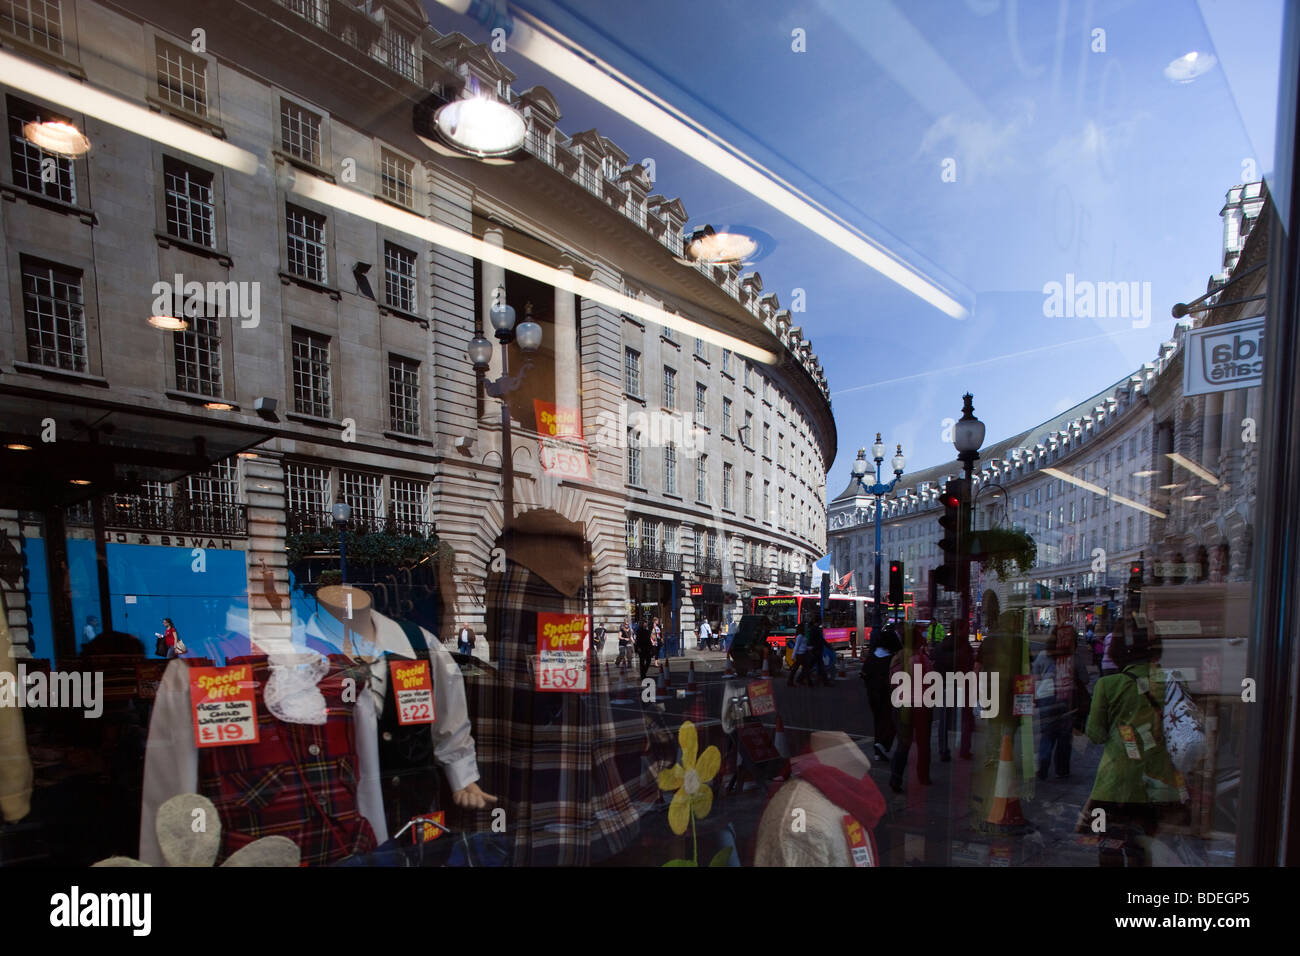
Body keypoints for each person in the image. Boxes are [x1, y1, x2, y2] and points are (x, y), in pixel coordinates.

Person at [1077, 619, 1189, 866]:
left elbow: (1095, 734)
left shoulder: (1108, 685)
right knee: (1143, 852)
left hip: (1113, 784)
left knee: (1109, 849)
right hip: (1156, 784)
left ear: (1116, 649)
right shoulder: (1174, 681)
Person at [1032, 625, 1089, 779]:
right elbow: (1085, 679)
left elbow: (1035, 677)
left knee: (1047, 733)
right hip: (1067, 699)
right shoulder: (1074, 657)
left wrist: (1034, 698)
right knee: (1064, 736)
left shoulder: (1043, 655)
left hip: (1046, 697)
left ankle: (1043, 762)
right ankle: (1062, 768)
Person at [861, 621, 902, 762]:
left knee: (878, 721)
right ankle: (882, 745)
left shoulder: (872, 656)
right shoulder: (891, 659)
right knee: (891, 721)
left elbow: (864, 674)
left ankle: (878, 749)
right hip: (887, 693)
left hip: (872, 693)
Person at [635, 617, 655, 681]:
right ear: (642, 623)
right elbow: (637, 640)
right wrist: (638, 647)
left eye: (646, 623)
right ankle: (642, 675)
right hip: (641, 647)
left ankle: (644, 672)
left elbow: (649, 640)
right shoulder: (639, 631)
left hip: (647, 647)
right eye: (645, 623)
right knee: (642, 662)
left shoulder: (647, 631)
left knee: (648, 661)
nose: (646, 624)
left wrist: (651, 648)